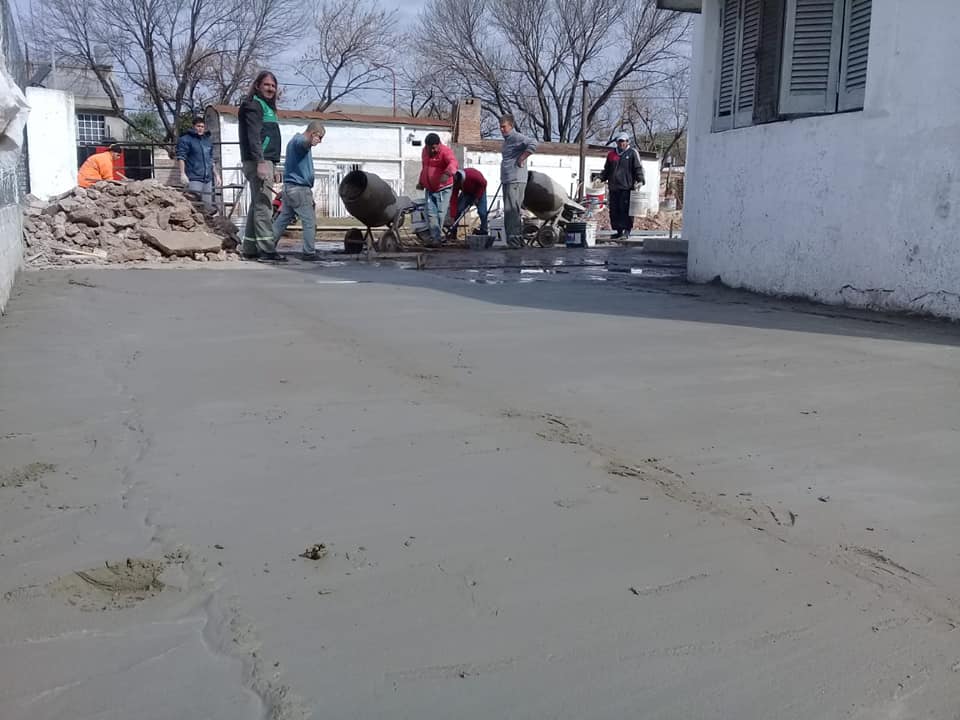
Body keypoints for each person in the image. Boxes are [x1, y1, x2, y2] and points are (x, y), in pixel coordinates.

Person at [238, 70, 284, 262]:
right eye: (266, 85)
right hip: (259, 161)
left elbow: (269, 138)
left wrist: (274, 164)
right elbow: (254, 136)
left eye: (273, 85)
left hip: (266, 160)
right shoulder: (254, 105)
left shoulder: (267, 107)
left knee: (258, 203)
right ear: (257, 86)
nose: (270, 89)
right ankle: (267, 249)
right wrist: (261, 162)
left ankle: (249, 247)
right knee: (264, 205)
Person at [272, 121, 326, 261]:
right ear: (314, 133)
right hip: (299, 189)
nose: (320, 141)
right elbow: (303, 144)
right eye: (320, 137)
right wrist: (309, 142)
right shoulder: (299, 141)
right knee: (309, 221)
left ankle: (268, 247)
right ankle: (309, 252)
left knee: (283, 219)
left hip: (289, 188)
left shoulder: (292, 141)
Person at [498, 114, 537, 248]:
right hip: (508, 179)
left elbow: (533, 143)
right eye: (500, 127)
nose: (501, 129)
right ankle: (516, 240)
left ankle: (513, 242)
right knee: (511, 211)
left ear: (511, 126)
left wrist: (522, 158)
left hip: (515, 180)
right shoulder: (507, 141)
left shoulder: (516, 137)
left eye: (504, 127)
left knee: (511, 211)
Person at [600, 131, 645, 240]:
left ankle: (627, 231)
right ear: (616, 142)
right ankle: (618, 231)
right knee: (614, 211)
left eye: (623, 141)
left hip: (627, 188)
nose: (621, 143)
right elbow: (607, 170)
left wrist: (640, 180)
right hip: (614, 188)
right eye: (619, 141)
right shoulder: (611, 154)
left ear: (627, 142)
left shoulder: (632, 153)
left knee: (626, 210)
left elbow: (637, 168)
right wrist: (600, 178)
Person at [416, 133, 457, 246]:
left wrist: (447, 173)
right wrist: (421, 182)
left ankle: (436, 238)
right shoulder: (424, 151)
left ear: (439, 144)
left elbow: (453, 163)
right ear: (426, 146)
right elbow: (424, 167)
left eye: (434, 148)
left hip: (443, 188)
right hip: (430, 188)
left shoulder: (445, 151)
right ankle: (435, 238)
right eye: (430, 148)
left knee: (440, 213)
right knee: (430, 213)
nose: (432, 151)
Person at [176, 115, 220, 212]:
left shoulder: (207, 141)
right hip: (194, 178)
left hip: (207, 179)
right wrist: (182, 174)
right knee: (194, 207)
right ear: (193, 127)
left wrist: (216, 175)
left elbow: (210, 159)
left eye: (202, 126)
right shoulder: (185, 140)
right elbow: (181, 157)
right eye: (198, 126)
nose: (200, 128)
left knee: (207, 207)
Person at [447, 168, 488, 237]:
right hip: (466, 193)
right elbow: (453, 199)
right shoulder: (455, 182)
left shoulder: (473, 176)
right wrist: (452, 216)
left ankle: (484, 230)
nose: (457, 187)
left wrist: (477, 197)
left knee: (482, 212)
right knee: (458, 209)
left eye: (458, 185)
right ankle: (453, 231)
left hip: (480, 190)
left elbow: (484, 183)